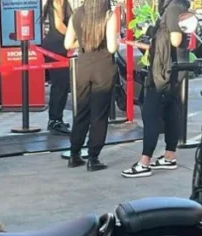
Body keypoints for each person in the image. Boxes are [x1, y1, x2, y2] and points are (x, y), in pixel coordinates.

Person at [122, 0, 187, 177]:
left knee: (150, 112)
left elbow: (175, 39)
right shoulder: (176, 6)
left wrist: (159, 38)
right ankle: (169, 156)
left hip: (165, 71)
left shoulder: (173, 8)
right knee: (171, 110)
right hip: (172, 69)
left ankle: (144, 162)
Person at [64, 0, 119, 171]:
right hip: (103, 67)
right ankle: (93, 157)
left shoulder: (76, 14)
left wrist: (84, 42)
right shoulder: (108, 15)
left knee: (82, 111)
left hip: (83, 67)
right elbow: (112, 47)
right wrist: (116, 39)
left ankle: (74, 154)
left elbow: (68, 44)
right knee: (99, 115)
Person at [42, 0, 73, 134]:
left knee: (63, 85)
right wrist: (74, 37)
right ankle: (54, 121)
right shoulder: (56, 3)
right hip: (55, 47)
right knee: (59, 85)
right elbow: (59, 25)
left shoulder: (62, 3)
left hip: (59, 46)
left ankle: (57, 118)